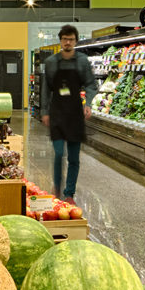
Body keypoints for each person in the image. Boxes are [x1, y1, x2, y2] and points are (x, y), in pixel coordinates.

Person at [41, 24, 98, 204]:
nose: (67, 42)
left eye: (71, 39)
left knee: (74, 157)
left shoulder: (82, 61)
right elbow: (45, 89)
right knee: (58, 153)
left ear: (75, 41)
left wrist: (87, 103)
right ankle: (57, 188)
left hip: (75, 113)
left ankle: (69, 193)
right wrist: (44, 111)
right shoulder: (51, 62)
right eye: (65, 39)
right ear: (60, 40)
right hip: (57, 112)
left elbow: (90, 84)